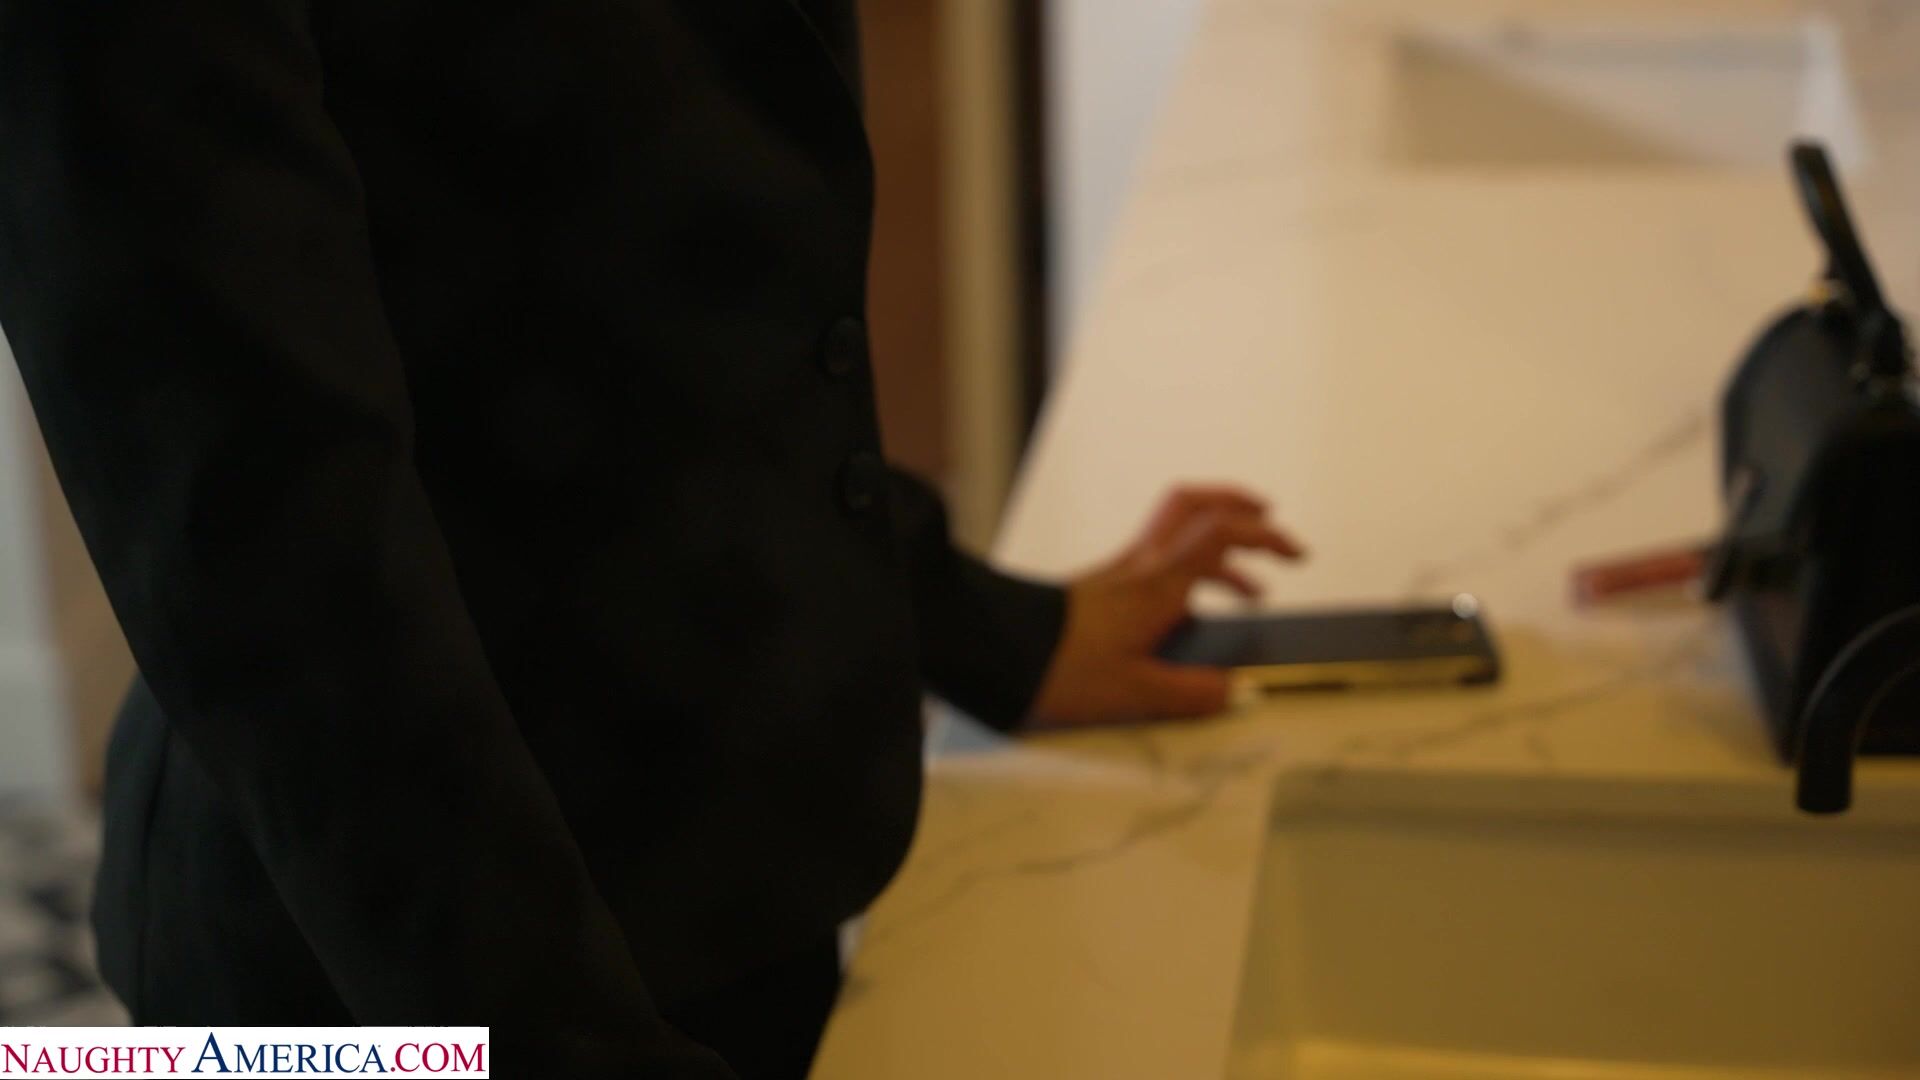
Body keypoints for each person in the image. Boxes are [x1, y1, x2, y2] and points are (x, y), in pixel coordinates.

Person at [0, 2, 1302, 1076]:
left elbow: (672, 311)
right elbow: (266, 536)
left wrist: (988, 628)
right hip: (404, 968)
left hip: (738, 870)